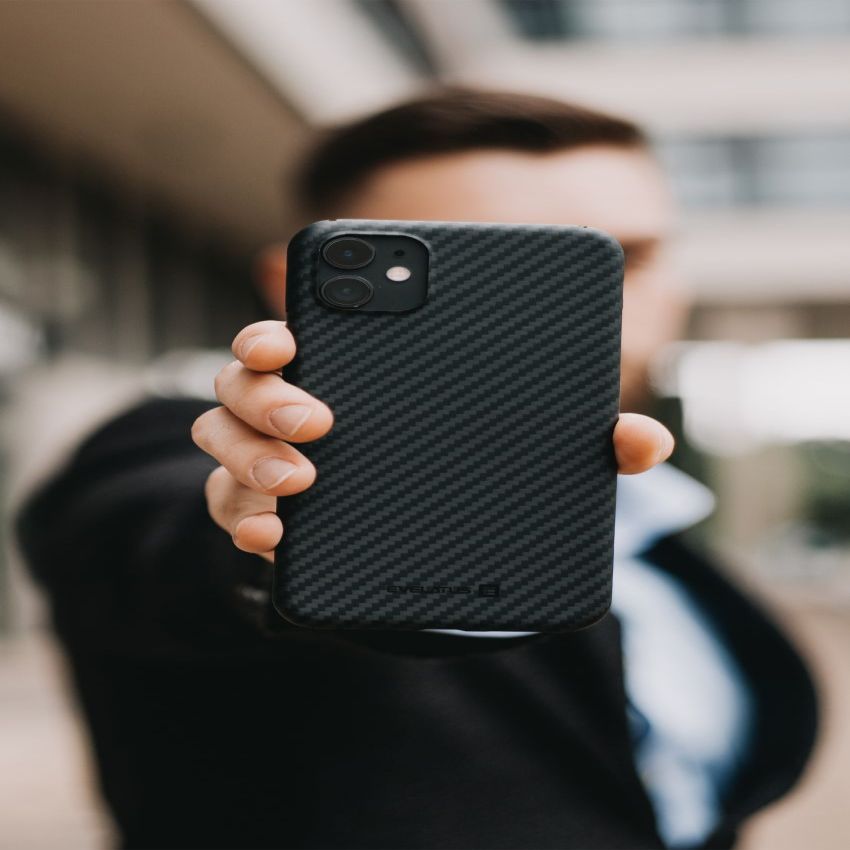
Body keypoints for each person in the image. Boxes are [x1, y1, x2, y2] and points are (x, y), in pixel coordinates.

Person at [17, 89, 817, 850]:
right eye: (495, 266)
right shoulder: (174, 448)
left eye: (624, 257)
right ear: (291, 286)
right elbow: (146, 543)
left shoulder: (652, 520)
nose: (590, 310)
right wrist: (271, 535)